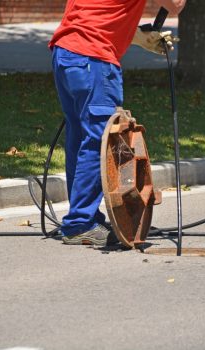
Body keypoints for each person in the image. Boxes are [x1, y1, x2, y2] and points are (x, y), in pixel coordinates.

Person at [49, 0, 186, 245]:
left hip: (67, 54)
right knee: (99, 141)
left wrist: (137, 36)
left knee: (81, 139)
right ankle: (80, 223)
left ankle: (84, 217)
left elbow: (99, 12)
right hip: (94, 58)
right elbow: (175, 4)